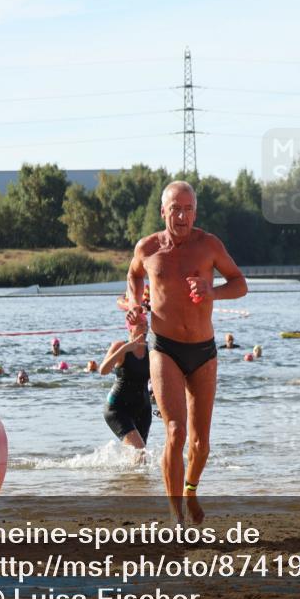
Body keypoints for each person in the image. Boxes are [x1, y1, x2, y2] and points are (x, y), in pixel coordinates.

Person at [126, 180, 248, 522]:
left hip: (203, 351)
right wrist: (136, 304)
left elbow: (240, 284)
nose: (181, 216)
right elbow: (134, 276)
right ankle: (175, 515)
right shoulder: (148, 248)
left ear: (195, 212)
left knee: (200, 444)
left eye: (188, 209)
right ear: (163, 211)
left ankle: (191, 490)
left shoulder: (209, 245)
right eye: (175, 209)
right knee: (175, 431)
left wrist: (212, 290)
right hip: (163, 348)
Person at [100, 314, 152, 461]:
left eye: (146, 324)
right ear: (130, 328)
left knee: (139, 459)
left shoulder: (151, 348)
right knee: (140, 452)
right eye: (140, 325)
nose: (145, 328)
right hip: (117, 408)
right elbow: (103, 370)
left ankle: (129, 482)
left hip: (143, 408)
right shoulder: (120, 346)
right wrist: (125, 349)